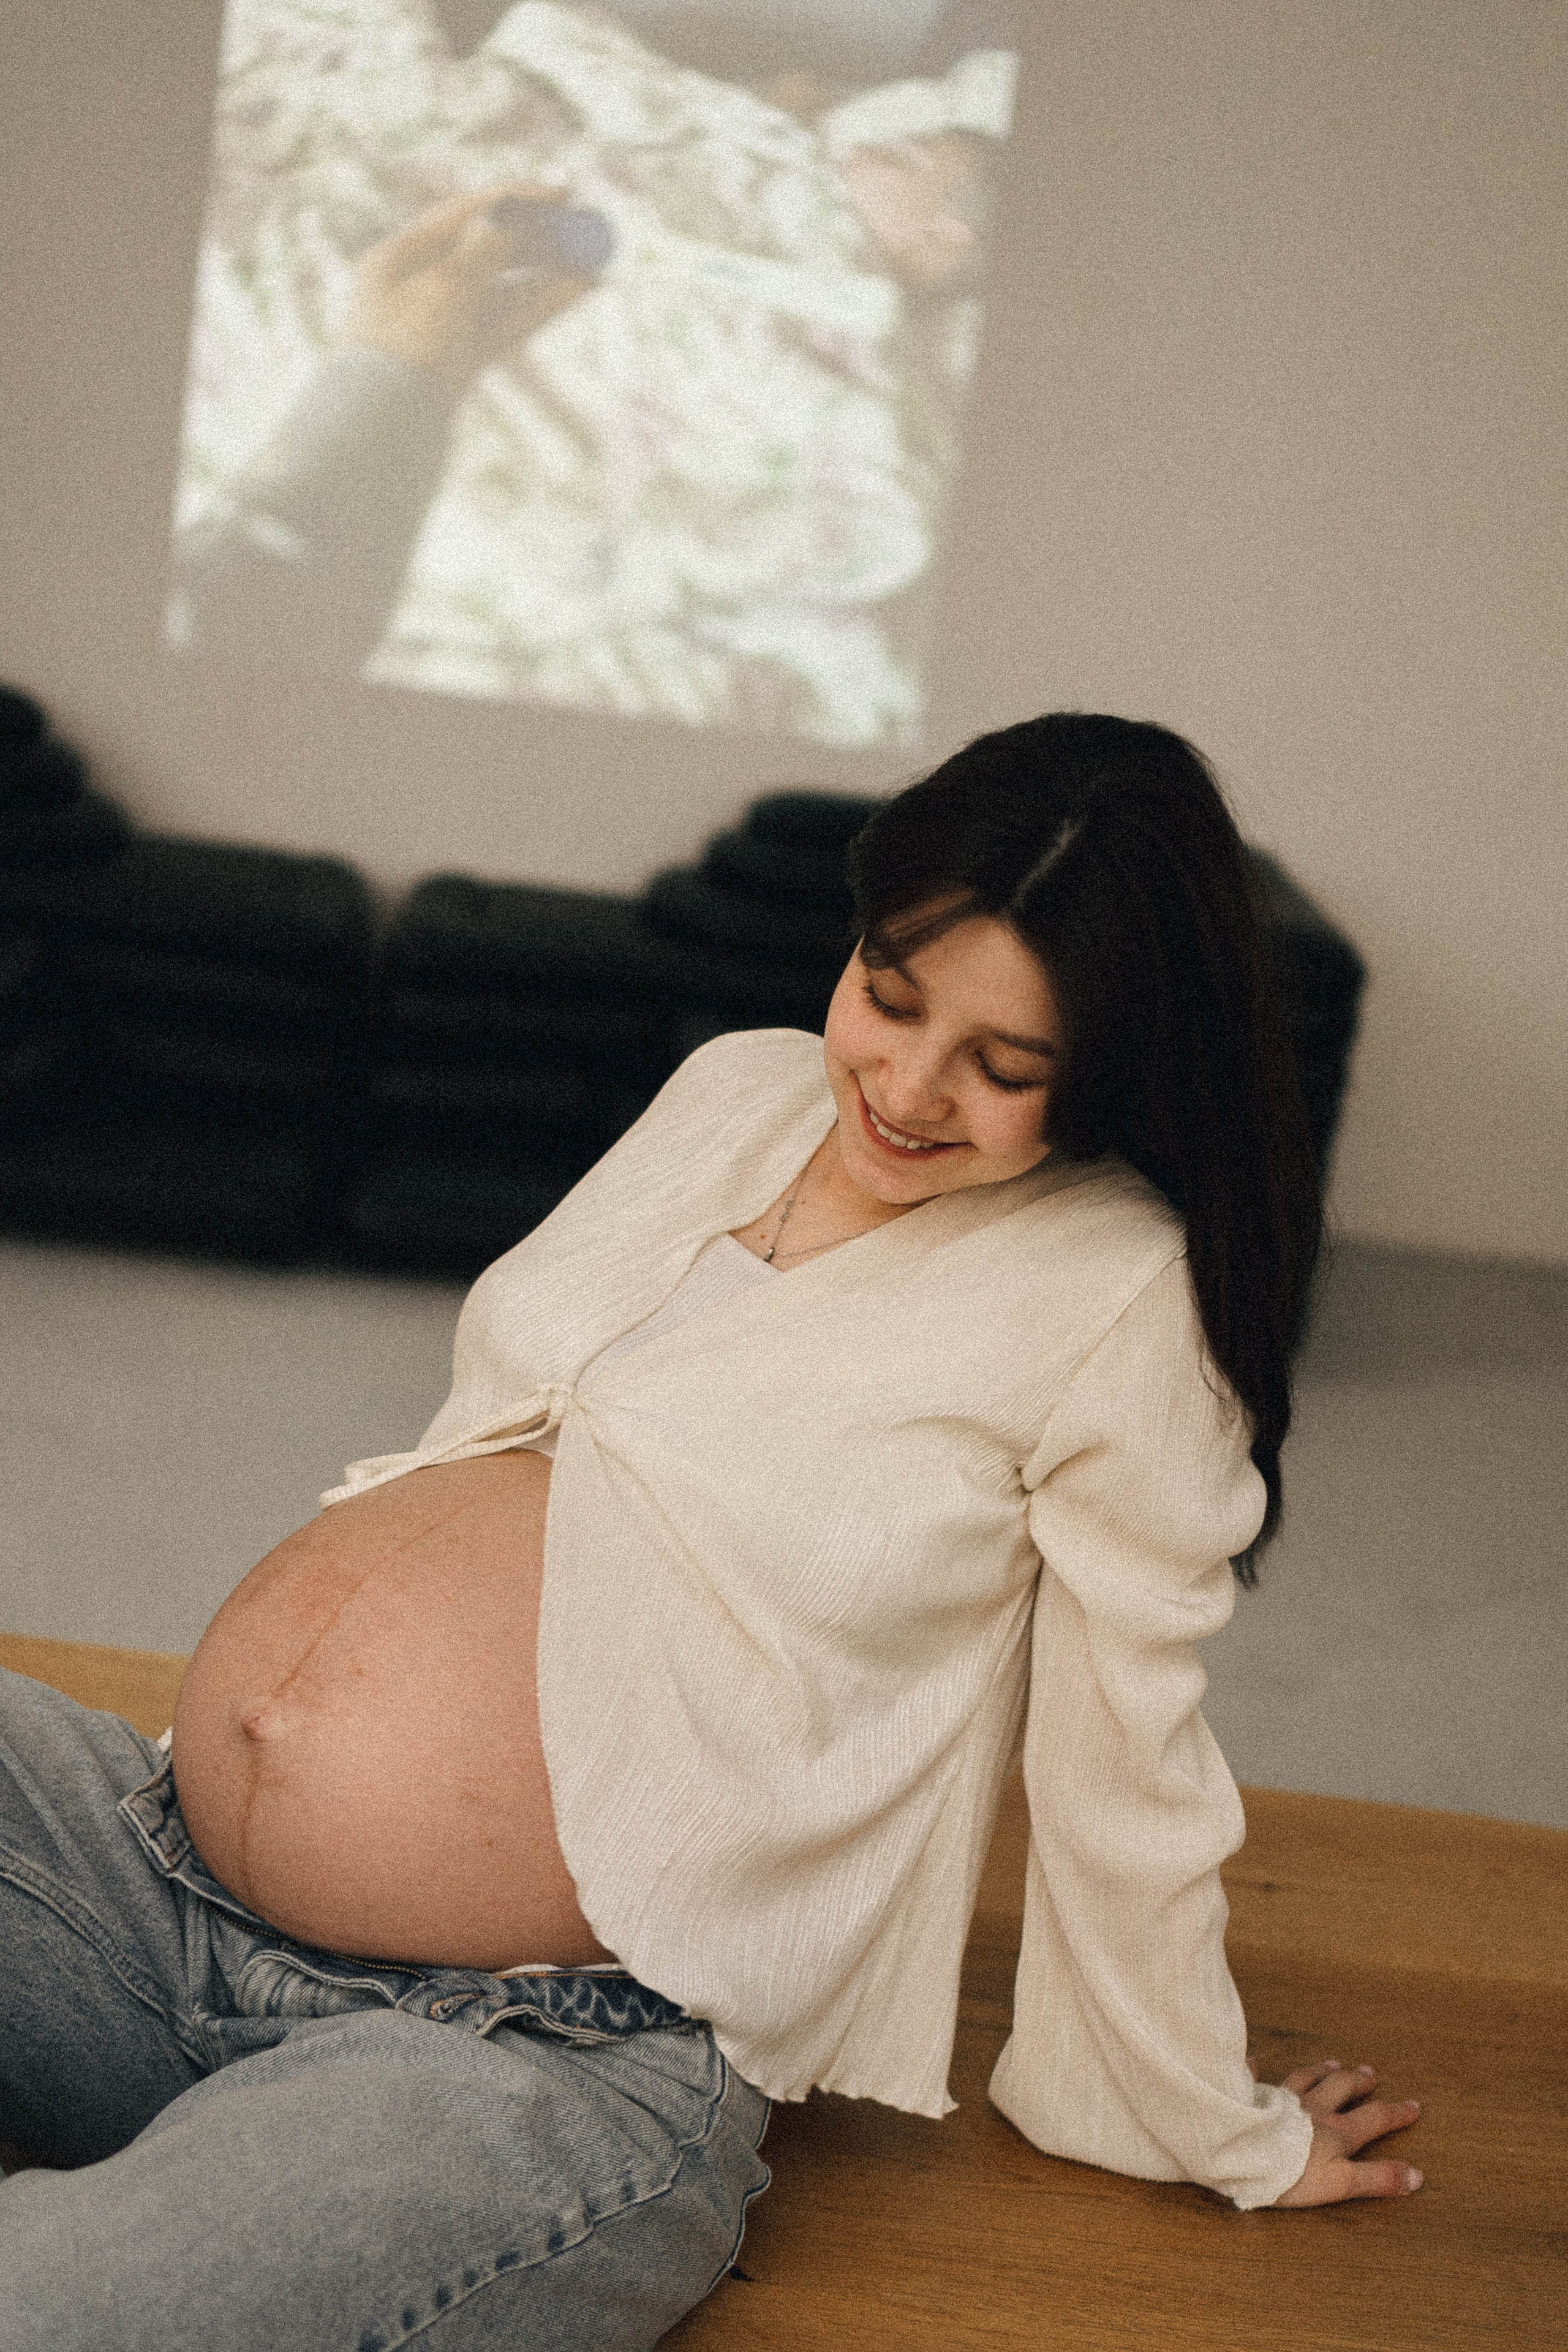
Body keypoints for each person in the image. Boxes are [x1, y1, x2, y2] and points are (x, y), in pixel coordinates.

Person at [0, 714, 1423, 2350]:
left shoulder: (1121, 1299)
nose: (906, 1083)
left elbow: (1127, 1769)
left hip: (530, 2055)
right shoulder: (730, 1090)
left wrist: (1213, 2121)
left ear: (1113, 1069)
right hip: (153, 1886)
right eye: (890, 995)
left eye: (1004, 1065)